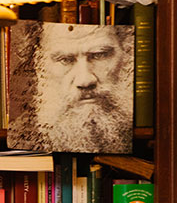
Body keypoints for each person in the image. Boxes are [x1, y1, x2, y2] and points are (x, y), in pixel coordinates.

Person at [12, 22, 133, 153]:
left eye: (100, 55)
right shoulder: (19, 136)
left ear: (126, 51)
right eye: (65, 60)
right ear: (38, 63)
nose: (85, 81)